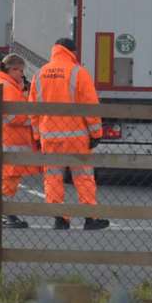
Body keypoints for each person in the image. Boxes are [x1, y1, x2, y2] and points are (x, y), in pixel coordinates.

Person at [30, 36, 108, 230]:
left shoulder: (39, 74)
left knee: (53, 177)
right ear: (72, 52)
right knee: (83, 177)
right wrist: (96, 134)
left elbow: (32, 109)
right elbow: (90, 106)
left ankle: (60, 218)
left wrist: (37, 136)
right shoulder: (78, 72)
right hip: (76, 137)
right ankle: (90, 219)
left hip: (49, 136)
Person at [0, 53, 36, 229]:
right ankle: (4, 211)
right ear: (11, 69)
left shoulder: (8, 84)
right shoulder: (8, 87)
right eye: (19, 71)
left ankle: (3, 210)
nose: (22, 74)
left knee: (9, 176)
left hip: (8, 138)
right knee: (9, 177)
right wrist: (33, 119)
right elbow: (13, 116)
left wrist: (24, 92)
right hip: (10, 138)